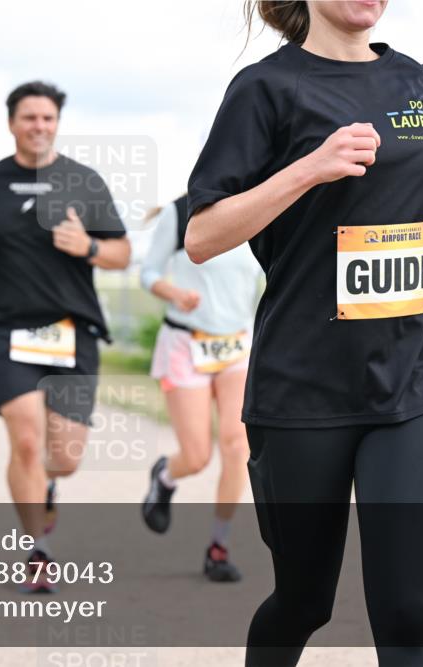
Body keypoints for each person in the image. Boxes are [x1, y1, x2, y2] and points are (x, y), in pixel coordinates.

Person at [187, 1, 423, 664]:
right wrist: (309, 167)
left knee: (408, 613)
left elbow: (390, 183)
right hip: (303, 387)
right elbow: (203, 234)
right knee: (304, 600)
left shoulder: (411, 76)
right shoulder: (266, 88)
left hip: (411, 376)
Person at [0, 81, 131, 593]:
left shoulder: (82, 181)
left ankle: (46, 485)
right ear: (11, 123)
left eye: (47, 118)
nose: (39, 126)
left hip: (72, 332)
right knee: (26, 438)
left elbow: (122, 253)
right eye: (29, 118)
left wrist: (85, 244)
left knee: (64, 457)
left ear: (57, 123)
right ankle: (38, 550)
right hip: (8, 330)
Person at [139, 193, 263, 582]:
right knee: (196, 457)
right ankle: (165, 476)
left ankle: (218, 546)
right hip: (185, 343)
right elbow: (149, 273)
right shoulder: (179, 212)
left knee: (236, 443)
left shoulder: (259, 204)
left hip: (236, 345)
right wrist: (174, 293)